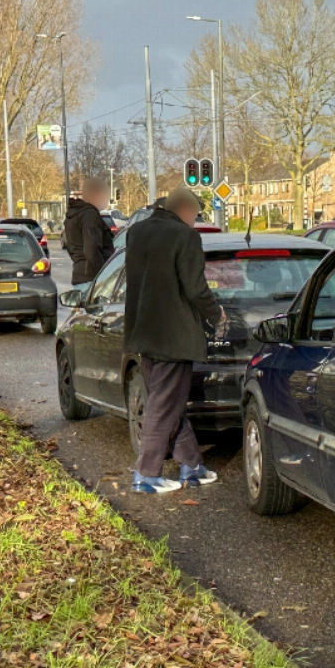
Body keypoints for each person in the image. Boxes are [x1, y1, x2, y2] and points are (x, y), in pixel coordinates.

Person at [123, 188, 226, 493]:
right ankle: (146, 473)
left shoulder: (136, 233)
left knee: (169, 403)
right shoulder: (186, 237)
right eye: (195, 215)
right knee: (164, 405)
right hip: (174, 336)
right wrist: (217, 314)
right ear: (186, 210)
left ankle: (191, 466)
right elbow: (196, 288)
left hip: (144, 333)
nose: (195, 221)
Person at [65, 178, 113, 284]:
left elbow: (71, 247)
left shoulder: (75, 214)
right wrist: (102, 277)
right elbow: (92, 250)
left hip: (80, 273)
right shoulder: (90, 216)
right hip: (91, 278)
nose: (106, 200)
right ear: (97, 194)